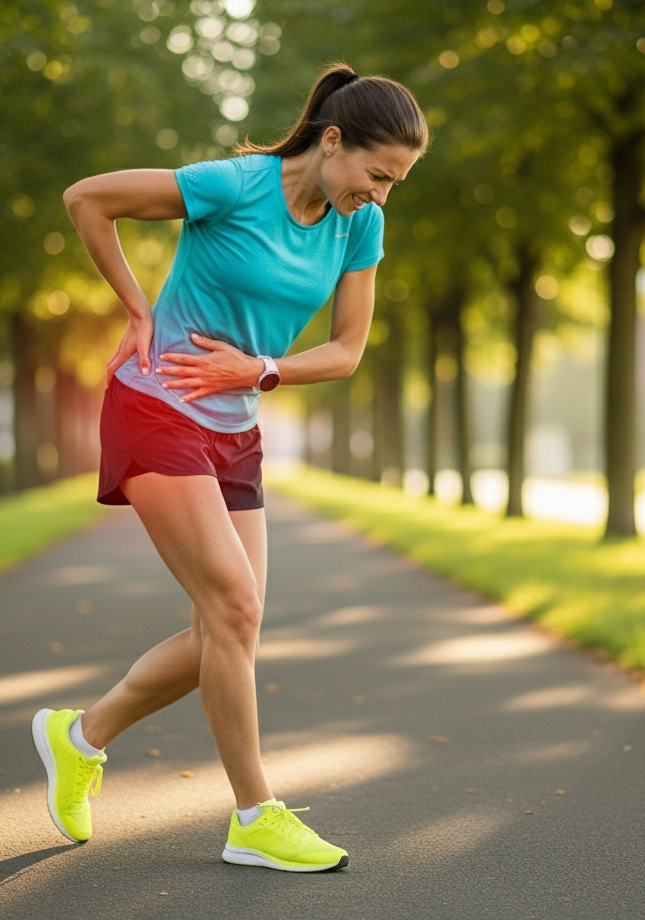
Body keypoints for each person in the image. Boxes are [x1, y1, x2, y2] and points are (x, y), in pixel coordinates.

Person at [31, 64, 429, 872]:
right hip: (155, 404)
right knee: (236, 608)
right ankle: (254, 814)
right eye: (377, 175)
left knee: (226, 626)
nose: (381, 196)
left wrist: (260, 372)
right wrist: (138, 307)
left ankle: (78, 738)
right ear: (331, 140)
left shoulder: (358, 227)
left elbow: (347, 350)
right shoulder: (237, 185)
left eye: (397, 184)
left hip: (236, 423)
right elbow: (86, 198)